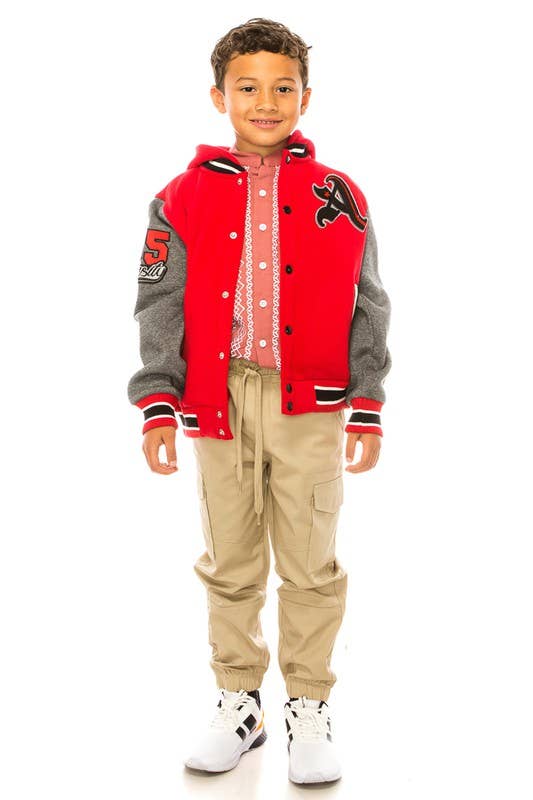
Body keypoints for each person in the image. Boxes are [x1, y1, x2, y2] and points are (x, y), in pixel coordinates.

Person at [127, 16, 392, 785]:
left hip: (310, 405)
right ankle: (238, 702)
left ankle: (308, 705)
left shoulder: (338, 194)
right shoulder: (179, 197)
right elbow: (159, 301)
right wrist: (157, 399)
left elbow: (368, 301)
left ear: (306, 97)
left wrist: (367, 399)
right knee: (230, 558)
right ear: (219, 96)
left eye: (283, 88)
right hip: (217, 401)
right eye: (248, 88)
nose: (266, 102)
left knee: (310, 561)